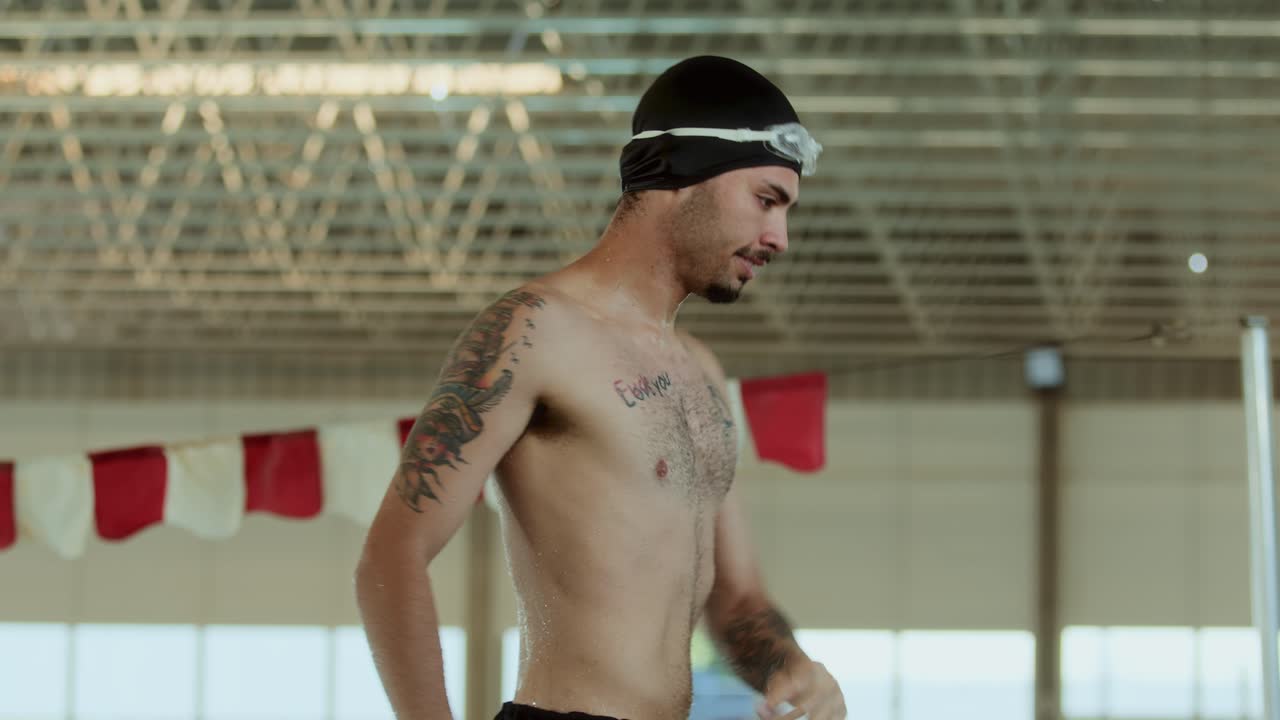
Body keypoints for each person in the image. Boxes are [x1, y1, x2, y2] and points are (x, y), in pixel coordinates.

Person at [355, 56, 847, 720]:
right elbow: (394, 553)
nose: (780, 238)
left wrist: (793, 668)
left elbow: (737, 604)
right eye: (766, 200)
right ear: (681, 173)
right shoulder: (533, 331)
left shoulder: (701, 369)